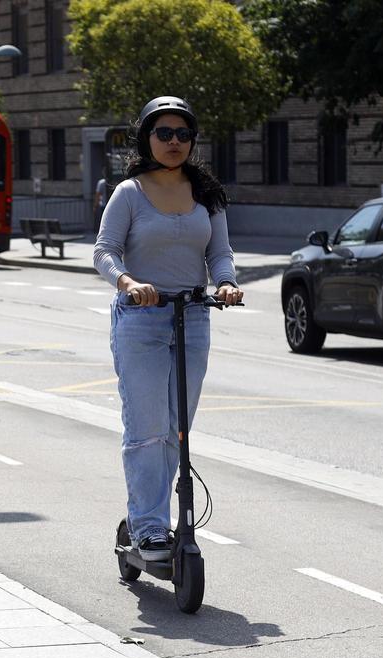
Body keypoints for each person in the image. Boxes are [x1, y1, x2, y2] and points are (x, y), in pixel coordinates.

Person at [93, 96, 243, 562]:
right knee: (147, 426)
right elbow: (104, 251)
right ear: (146, 138)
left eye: (182, 134)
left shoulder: (206, 195)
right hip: (141, 317)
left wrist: (226, 283)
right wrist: (129, 282)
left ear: (193, 141)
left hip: (193, 315)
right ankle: (151, 528)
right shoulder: (130, 193)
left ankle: (152, 517)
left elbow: (219, 253)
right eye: (164, 133)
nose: (174, 142)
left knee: (178, 428)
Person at [93, 168, 109, 235]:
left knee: (104, 221)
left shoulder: (101, 182)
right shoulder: (112, 181)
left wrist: (95, 206)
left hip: (104, 205)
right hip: (106, 204)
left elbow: (98, 195)